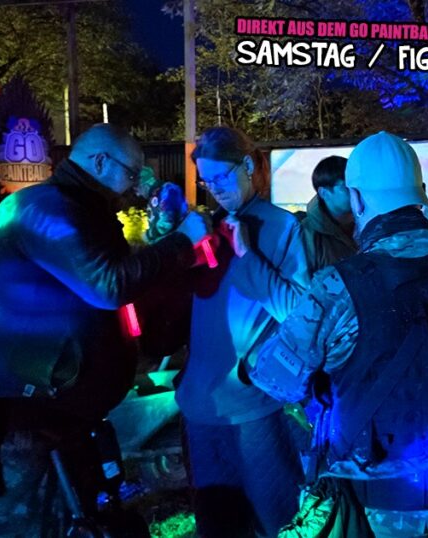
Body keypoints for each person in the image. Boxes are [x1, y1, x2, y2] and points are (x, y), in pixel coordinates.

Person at [0, 124, 209, 536]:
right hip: (6, 409)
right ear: (100, 162)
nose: (135, 186)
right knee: (21, 526)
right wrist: (181, 243)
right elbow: (107, 284)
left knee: (67, 519)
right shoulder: (44, 208)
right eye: (131, 173)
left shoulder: (78, 208)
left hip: (46, 405)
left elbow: (112, 271)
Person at [246, 131, 428, 537]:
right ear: (420, 193)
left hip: (376, 508)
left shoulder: (337, 286)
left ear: (357, 199)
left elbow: (276, 380)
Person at [178, 126, 310, 537]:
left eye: (220, 176)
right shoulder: (207, 230)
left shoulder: (283, 227)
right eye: (206, 181)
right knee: (217, 524)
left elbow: (298, 312)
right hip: (200, 404)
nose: (214, 188)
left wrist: (248, 256)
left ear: (248, 165)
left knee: (276, 520)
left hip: (256, 407)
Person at [301, 155, 357, 276]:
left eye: (357, 185)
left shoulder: (369, 222)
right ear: (324, 193)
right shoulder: (307, 236)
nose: (356, 191)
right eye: (347, 187)